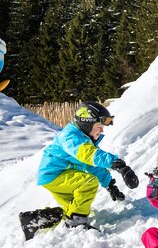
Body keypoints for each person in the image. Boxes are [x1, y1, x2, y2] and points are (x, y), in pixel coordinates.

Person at [19, 101, 138, 240]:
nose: (102, 130)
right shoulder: (71, 137)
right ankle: (77, 225)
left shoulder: (81, 138)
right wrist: (117, 164)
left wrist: (110, 185)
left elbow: (91, 165)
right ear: (86, 122)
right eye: (99, 126)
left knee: (74, 208)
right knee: (88, 183)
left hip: (55, 176)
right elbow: (89, 154)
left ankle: (34, 220)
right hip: (56, 174)